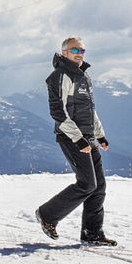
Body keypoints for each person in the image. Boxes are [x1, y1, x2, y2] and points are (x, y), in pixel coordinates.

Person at [34, 36, 116, 246]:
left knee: (98, 186)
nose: (80, 54)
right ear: (64, 53)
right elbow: (58, 112)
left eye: (82, 51)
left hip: (87, 137)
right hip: (70, 137)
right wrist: (79, 140)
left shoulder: (83, 76)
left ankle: (92, 232)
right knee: (87, 183)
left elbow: (90, 111)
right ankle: (47, 215)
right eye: (75, 51)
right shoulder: (60, 76)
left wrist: (100, 135)